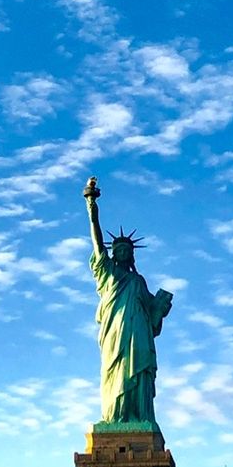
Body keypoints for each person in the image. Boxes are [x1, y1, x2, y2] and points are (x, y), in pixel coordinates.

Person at [83, 176, 173, 426]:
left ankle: (140, 416)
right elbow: (97, 242)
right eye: (118, 249)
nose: (122, 252)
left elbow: (153, 316)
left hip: (139, 333)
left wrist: (161, 306)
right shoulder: (107, 273)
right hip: (115, 332)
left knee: (139, 371)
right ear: (113, 253)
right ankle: (115, 416)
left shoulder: (138, 281)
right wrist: (92, 206)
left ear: (132, 255)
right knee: (115, 371)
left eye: (127, 250)